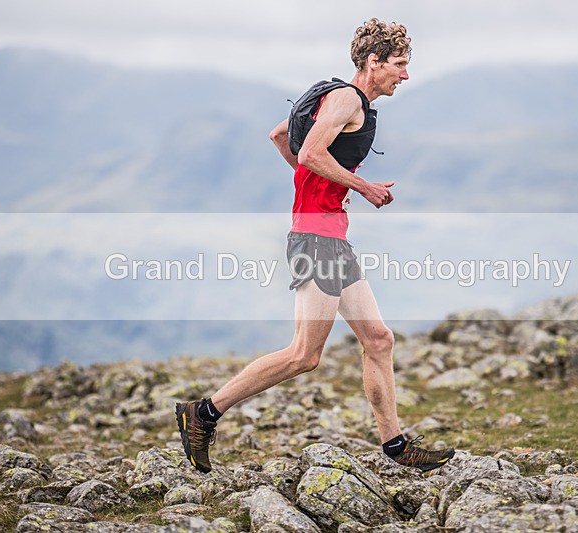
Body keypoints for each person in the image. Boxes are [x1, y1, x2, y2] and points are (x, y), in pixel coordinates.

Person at [176, 18, 454, 474]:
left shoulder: (333, 96)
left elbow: (280, 136)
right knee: (304, 354)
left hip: (330, 237)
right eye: (400, 64)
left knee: (378, 339)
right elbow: (308, 154)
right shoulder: (347, 99)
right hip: (316, 240)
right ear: (374, 61)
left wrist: (320, 184)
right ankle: (203, 412)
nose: (405, 75)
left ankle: (395, 445)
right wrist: (362, 186)